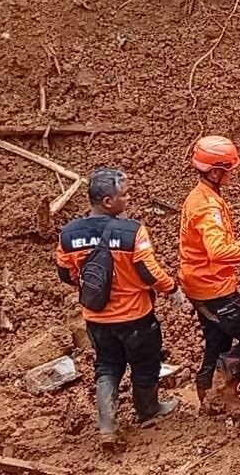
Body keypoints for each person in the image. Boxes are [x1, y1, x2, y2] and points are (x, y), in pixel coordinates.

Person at [56, 168, 185, 447]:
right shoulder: (132, 232)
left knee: (106, 365)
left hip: (96, 318)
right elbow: (150, 272)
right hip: (135, 316)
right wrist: (173, 290)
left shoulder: (68, 234)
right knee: (145, 363)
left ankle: (106, 426)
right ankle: (148, 409)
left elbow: (66, 275)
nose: (127, 200)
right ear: (107, 202)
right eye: (123, 195)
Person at [179, 135, 240, 415]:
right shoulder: (208, 206)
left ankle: (205, 391)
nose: (233, 174)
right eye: (229, 169)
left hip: (197, 284)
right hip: (214, 288)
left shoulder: (198, 196)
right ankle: (224, 390)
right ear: (216, 171)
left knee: (217, 340)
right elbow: (217, 249)